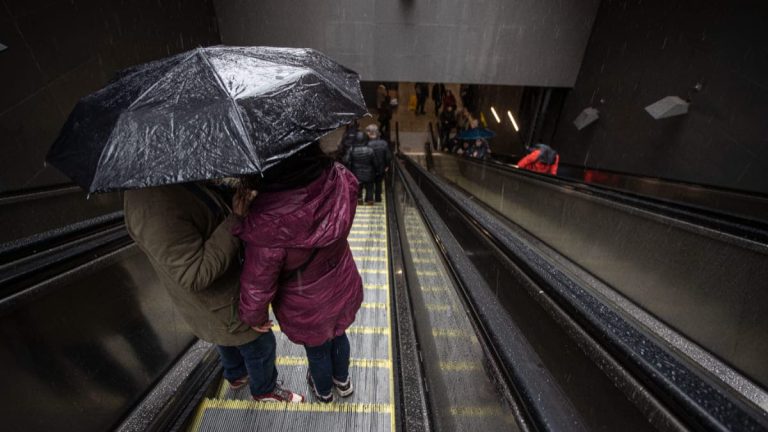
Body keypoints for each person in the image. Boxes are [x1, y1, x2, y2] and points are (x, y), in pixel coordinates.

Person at [124, 182, 304, 403]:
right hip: (219, 298)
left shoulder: (169, 180)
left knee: (224, 336)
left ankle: (236, 374)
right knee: (260, 342)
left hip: (222, 295)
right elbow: (194, 273)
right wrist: (236, 219)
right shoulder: (153, 207)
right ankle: (264, 390)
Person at [235, 143, 364, 403]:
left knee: (317, 349)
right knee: (339, 334)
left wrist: (253, 316)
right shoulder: (339, 178)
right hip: (341, 279)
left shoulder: (265, 220)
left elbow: (258, 283)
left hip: (305, 299)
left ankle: (324, 391)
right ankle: (343, 382)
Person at [344, 131, 380, 204]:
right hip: (369, 174)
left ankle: (359, 198)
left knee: (358, 187)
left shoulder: (352, 149)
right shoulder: (370, 150)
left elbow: (346, 160)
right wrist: (377, 171)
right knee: (369, 187)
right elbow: (375, 163)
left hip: (356, 173)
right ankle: (369, 200)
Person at [365, 124, 392, 202]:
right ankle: (378, 198)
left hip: (369, 168)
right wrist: (387, 166)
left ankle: (369, 199)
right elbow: (388, 156)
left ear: (370, 133)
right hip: (381, 168)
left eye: (367, 132)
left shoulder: (366, 144)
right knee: (378, 183)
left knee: (369, 184)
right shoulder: (383, 143)